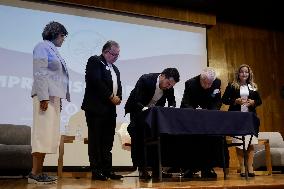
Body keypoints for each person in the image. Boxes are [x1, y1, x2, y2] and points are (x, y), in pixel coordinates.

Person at [29, 21, 70, 184]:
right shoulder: (42, 46)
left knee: (48, 136)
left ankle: (39, 172)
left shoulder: (54, 50)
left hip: (53, 97)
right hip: (44, 96)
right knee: (42, 134)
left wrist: (58, 98)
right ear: (54, 34)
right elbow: (39, 72)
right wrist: (43, 96)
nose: (63, 39)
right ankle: (35, 173)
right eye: (62, 36)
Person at [124, 68, 180, 179]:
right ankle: (141, 169)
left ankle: (157, 170)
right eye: (168, 83)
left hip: (153, 114)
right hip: (137, 110)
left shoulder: (169, 86)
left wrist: (172, 108)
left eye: (171, 86)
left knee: (159, 138)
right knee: (138, 138)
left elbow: (172, 101)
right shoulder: (146, 79)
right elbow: (136, 100)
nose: (168, 87)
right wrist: (146, 110)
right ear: (162, 76)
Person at [81, 40, 123, 181]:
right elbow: (95, 81)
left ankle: (107, 170)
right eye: (113, 54)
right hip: (96, 108)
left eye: (118, 55)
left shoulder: (115, 68)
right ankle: (96, 170)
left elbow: (119, 86)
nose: (115, 57)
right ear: (105, 51)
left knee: (108, 141)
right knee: (96, 140)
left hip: (110, 110)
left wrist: (119, 97)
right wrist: (111, 96)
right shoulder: (95, 61)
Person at [180, 67, 226, 179]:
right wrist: (196, 112)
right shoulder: (190, 83)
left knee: (211, 139)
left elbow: (217, 100)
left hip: (208, 118)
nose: (208, 86)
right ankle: (190, 168)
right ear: (201, 78)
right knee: (191, 141)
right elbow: (186, 102)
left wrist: (211, 112)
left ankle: (208, 168)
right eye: (205, 83)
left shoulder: (217, 82)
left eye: (210, 83)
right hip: (193, 118)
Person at [222, 64, 262, 177]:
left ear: (249, 74)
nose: (244, 74)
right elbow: (224, 99)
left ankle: (250, 167)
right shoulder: (232, 85)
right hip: (236, 118)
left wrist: (253, 102)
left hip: (250, 118)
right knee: (239, 143)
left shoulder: (253, 86)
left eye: (246, 72)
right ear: (238, 74)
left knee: (250, 143)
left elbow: (259, 101)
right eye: (242, 72)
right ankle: (242, 167)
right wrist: (235, 101)